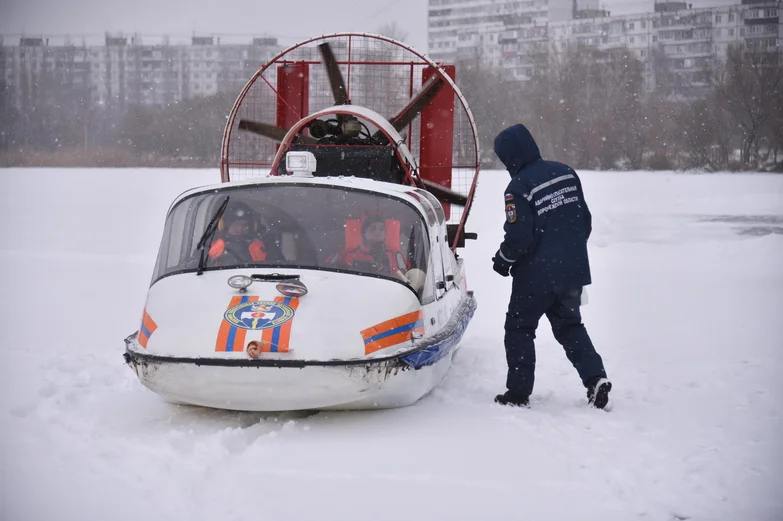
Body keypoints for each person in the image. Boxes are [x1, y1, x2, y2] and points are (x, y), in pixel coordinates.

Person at [491, 123, 612, 410]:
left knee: (519, 328)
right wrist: (568, 254)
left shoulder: (518, 187)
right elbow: (584, 221)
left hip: (535, 277)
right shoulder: (566, 172)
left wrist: (503, 259)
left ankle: (518, 393)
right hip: (572, 271)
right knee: (570, 327)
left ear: (509, 155)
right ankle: (595, 378)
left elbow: (520, 237)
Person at [326, 212, 410, 277]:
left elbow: (410, 273)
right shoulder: (346, 255)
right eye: (372, 229)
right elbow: (325, 270)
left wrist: (417, 274)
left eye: (381, 229)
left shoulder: (396, 255)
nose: (378, 233)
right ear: (364, 233)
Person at [208, 201, 279, 265]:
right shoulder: (208, 248)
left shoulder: (264, 247)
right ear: (223, 226)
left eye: (245, 226)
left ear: (253, 227)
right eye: (236, 225)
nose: (240, 229)